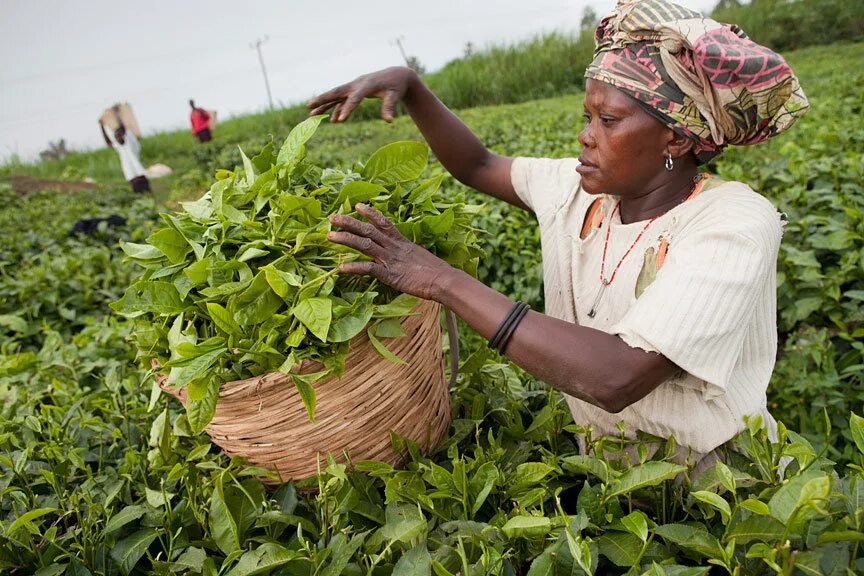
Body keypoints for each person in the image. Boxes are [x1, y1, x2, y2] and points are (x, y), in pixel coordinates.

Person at [307, 0, 808, 468]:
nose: (585, 136)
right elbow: (479, 163)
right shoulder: (581, 191)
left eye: (608, 120)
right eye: (587, 116)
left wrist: (442, 281)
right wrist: (412, 85)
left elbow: (616, 375)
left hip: (725, 491)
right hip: (610, 482)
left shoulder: (733, 222)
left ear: (675, 135)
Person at [100, 106, 150, 193]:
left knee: (148, 195)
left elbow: (123, 128)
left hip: (141, 176)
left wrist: (117, 115)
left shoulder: (129, 143)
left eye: (119, 135)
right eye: (116, 136)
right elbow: (108, 142)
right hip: (131, 177)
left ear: (123, 135)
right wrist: (102, 127)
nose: (117, 137)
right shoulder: (120, 147)